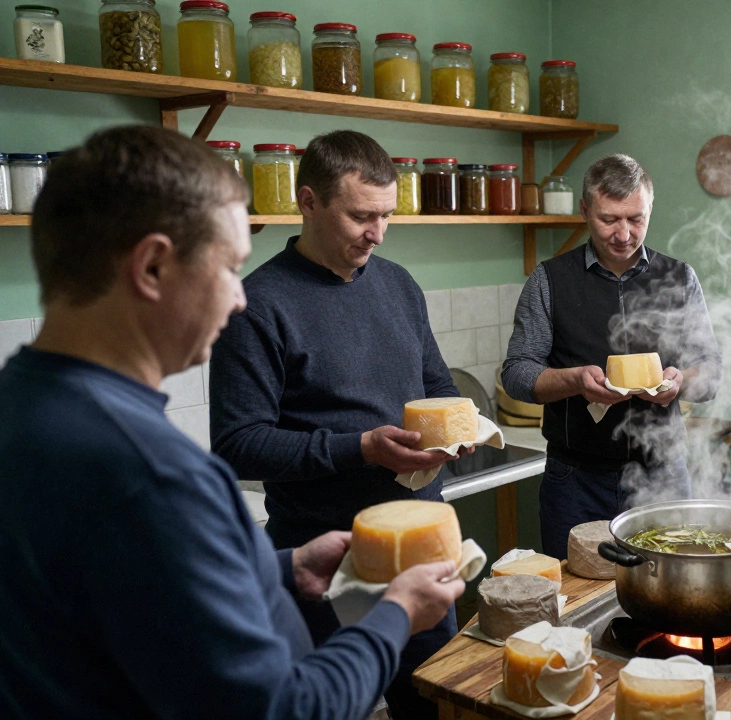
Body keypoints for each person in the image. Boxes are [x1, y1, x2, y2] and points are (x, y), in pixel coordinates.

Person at [0, 125, 464, 719]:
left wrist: (281, 566)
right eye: (227, 267)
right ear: (152, 269)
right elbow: (285, 709)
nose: (240, 298)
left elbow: (140, 588)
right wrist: (394, 613)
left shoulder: (24, 405)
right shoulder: (156, 474)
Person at [210, 130, 467, 719]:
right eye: (360, 217)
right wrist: (362, 449)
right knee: (325, 709)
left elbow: (440, 389)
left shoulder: (399, 284)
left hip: (422, 549)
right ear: (308, 202)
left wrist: (459, 433)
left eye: (386, 217)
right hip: (320, 561)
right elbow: (237, 446)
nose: (376, 234)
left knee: (434, 703)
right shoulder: (258, 305)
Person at [501, 154, 721, 559]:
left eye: (636, 218)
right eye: (609, 219)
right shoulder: (550, 280)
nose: (624, 234)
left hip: (663, 474)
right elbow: (516, 374)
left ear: (650, 210)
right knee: (576, 598)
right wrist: (573, 381)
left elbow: (711, 373)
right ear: (585, 210)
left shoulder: (679, 277)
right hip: (576, 479)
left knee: (667, 593)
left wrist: (680, 383)